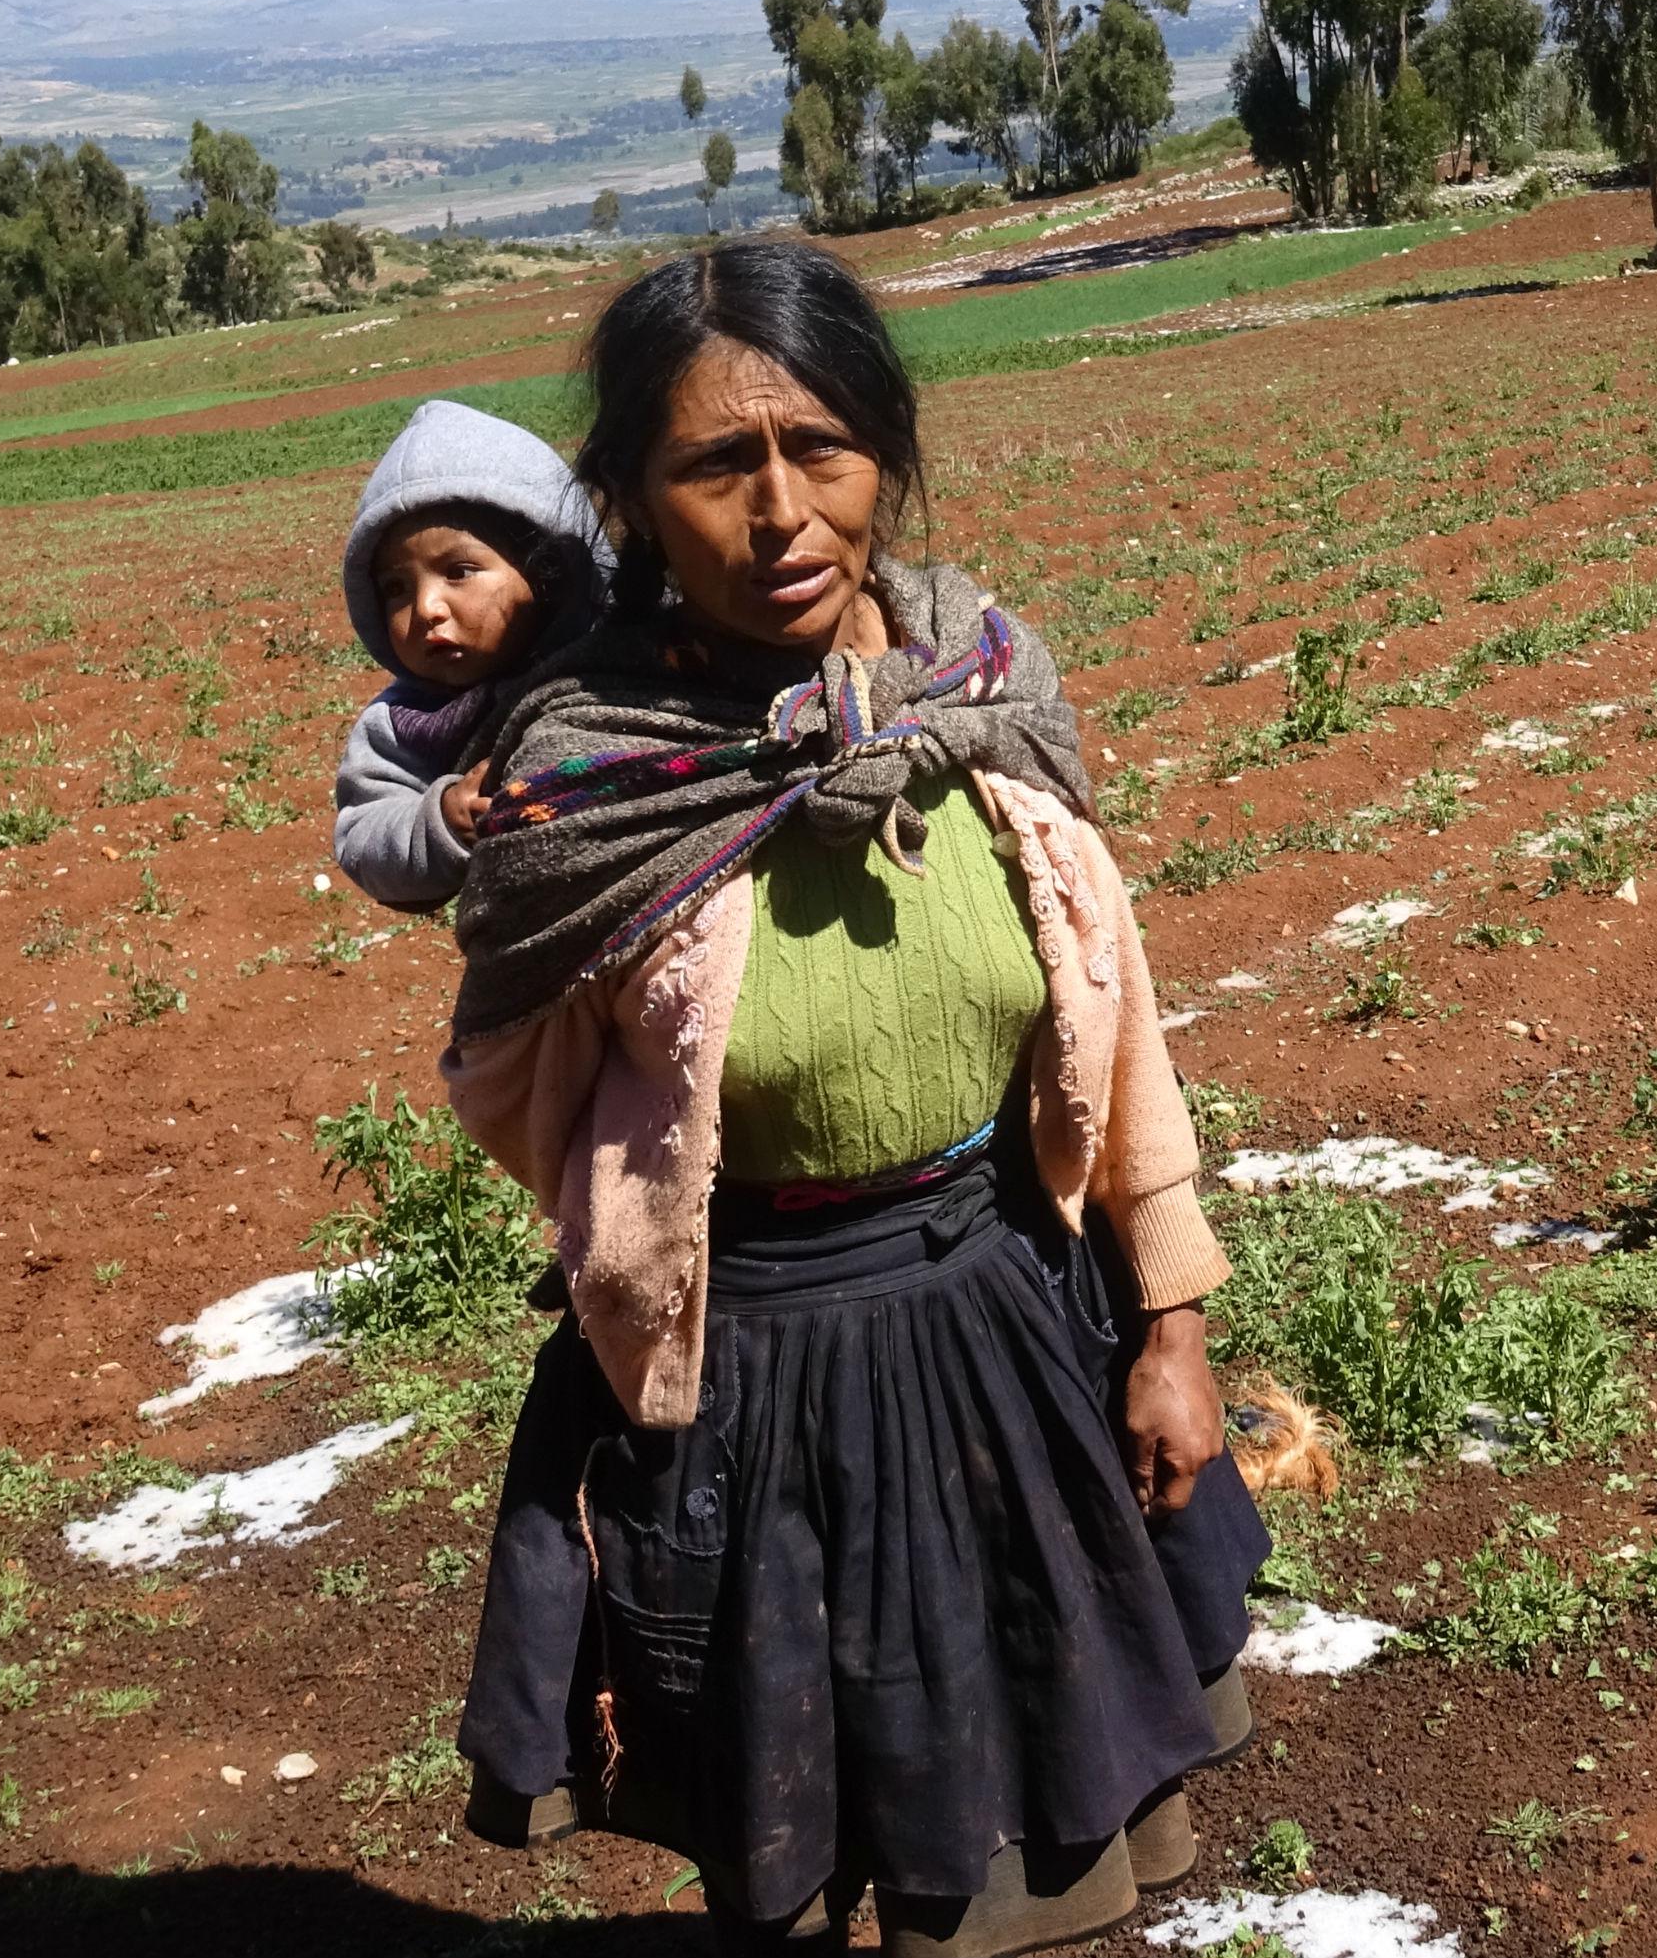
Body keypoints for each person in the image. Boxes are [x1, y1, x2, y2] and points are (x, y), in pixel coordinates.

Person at [439, 242, 1267, 1957]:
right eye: (711, 463)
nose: (779, 510)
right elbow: (515, 1081)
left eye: (819, 445)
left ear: (886, 449)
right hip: (752, 1375)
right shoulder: (593, 775)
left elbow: (1119, 1037)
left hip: (1011, 1320)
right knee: (797, 1816)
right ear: (629, 500)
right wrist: (648, 1238)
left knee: (1027, 1797)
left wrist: (1169, 1326)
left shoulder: (983, 691)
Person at [332, 398, 611, 914]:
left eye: (458, 571)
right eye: (395, 588)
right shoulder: (406, 723)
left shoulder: (619, 655)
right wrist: (438, 819)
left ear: (546, 571)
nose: (426, 608)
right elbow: (363, 835)